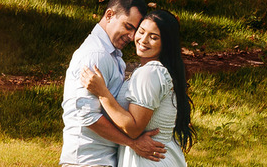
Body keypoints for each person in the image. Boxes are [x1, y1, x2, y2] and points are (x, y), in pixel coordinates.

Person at [61, 0, 167, 166]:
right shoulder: (96, 55)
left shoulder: (111, 54)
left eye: (135, 30)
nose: (132, 36)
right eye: (128, 26)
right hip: (89, 161)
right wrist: (133, 143)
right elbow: (87, 116)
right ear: (109, 15)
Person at [79, 9, 195, 167]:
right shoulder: (151, 71)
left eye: (153, 37)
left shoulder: (151, 72)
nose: (144, 40)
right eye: (141, 32)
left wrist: (102, 93)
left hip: (150, 160)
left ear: (165, 44)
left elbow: (133, 129)